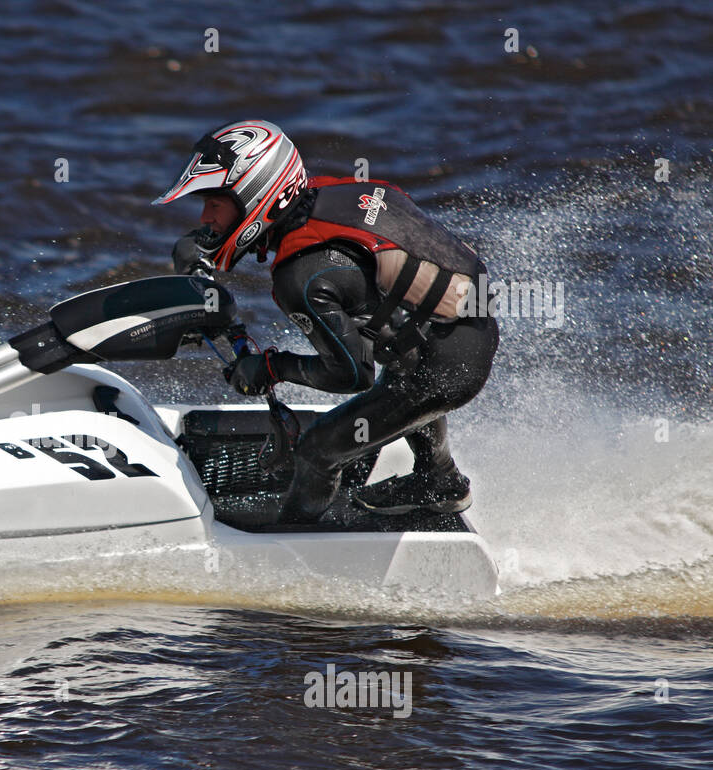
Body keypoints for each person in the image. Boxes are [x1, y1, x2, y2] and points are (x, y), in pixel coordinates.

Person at [152, 119, 499, 522]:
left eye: (214, 203)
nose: (206, 216)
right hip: (461, 331)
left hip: (447, 368)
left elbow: (353, 374)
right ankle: (438, 480)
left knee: (316, 452)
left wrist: (271, 367)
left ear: (255, 195)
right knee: (399, 357)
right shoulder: (325, 195)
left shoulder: (301, 277)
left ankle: (294, 547)